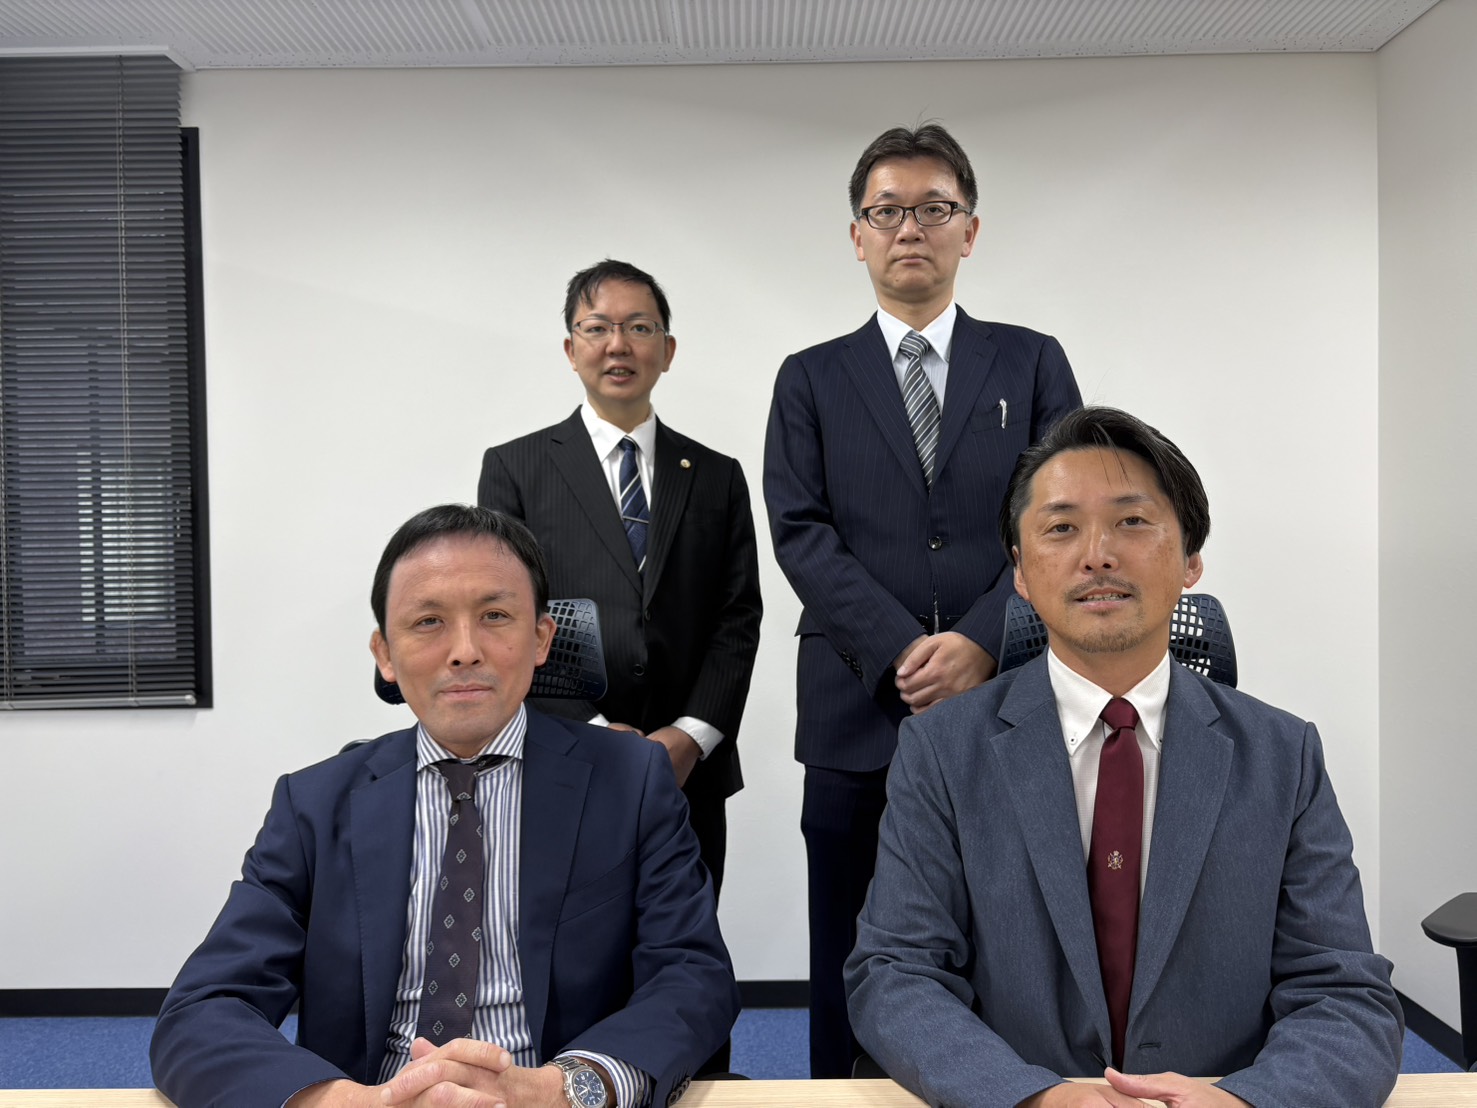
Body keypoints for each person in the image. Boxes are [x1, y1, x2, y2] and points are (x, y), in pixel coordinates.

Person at [845, 407, 1403, 1108]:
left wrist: (1245, 1102)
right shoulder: (942, 752)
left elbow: (1345, 993)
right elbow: (896, 974)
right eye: (1060, 528)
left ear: (1191, 559)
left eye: (1132, 522)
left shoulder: (1281, 756)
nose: (1096, 555)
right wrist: (1032, 1097)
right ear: (1019, 572)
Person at [151, 505, 738, 1108]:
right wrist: (347, 1103)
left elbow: (692, 976)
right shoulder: (314, 806)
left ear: (541, 639)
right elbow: (204, 1009)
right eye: (428, 621)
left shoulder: (632, 782)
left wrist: (561, 1089)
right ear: (385, 653)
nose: (464, 651)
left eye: (495, 616)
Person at [763, 122, 1081, 1076]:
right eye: (887, 211)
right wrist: (904, 651)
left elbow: (1063, 519)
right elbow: (800, 532)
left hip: (1008, 697)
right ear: (856, 235)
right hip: (856, 706)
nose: (910, 228)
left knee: (1008, 934)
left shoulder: (1030, 362)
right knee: (849, 934)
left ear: (968, 231)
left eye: (934, 209)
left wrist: (984, 639)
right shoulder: (810, 376)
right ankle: (838, 1091)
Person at [479, 259, 762, 908]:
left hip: (688, 773)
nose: (618, 345)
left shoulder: (716, 475)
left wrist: (691, 736)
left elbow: (736, 617)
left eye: (638, 327)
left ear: (667, 350)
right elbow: (506, 616)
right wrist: (592, 728)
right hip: (562, 757)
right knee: (569, 944)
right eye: (597, 327)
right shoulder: (516, 468)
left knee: (683, 941)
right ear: (570, 349)